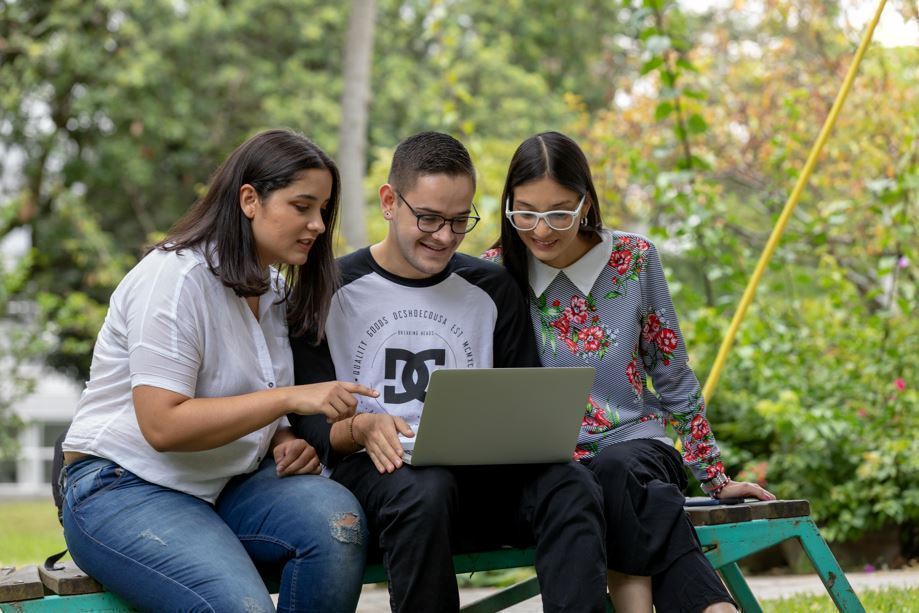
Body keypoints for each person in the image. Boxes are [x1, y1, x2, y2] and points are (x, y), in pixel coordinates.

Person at [60, 129, 378, 613]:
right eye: (301, 206)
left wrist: (282, 438)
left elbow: (252, 394)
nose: (317, 225)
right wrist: (290, 401)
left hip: (225, 486)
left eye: (323, 210)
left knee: (338, 524)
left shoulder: (270, 290)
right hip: (122, 486)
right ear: (250, 199)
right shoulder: (174, 279)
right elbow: (163, 425)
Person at [289, 131, 608, 613]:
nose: (445, 236)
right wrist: (358, 427)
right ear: (390, 201)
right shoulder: (329, 289)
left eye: (461, 221)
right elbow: (309, 428)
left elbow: (522, 401)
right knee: (425, 487)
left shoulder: (493, 288)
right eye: (430, 218)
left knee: (572, 484)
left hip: (481, 482)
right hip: (380, 481)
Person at [486, 131, 775, 613]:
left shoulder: (633, 259)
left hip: (638, 447)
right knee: (604, 485)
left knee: (617, 472)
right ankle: (712, 608)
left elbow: (673, 372)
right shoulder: (495, 272)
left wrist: (715, 477)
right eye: (525, 212)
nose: (540, 230)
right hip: (554, 471)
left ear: (586, 202)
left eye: (559, 212)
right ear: (507, 206)